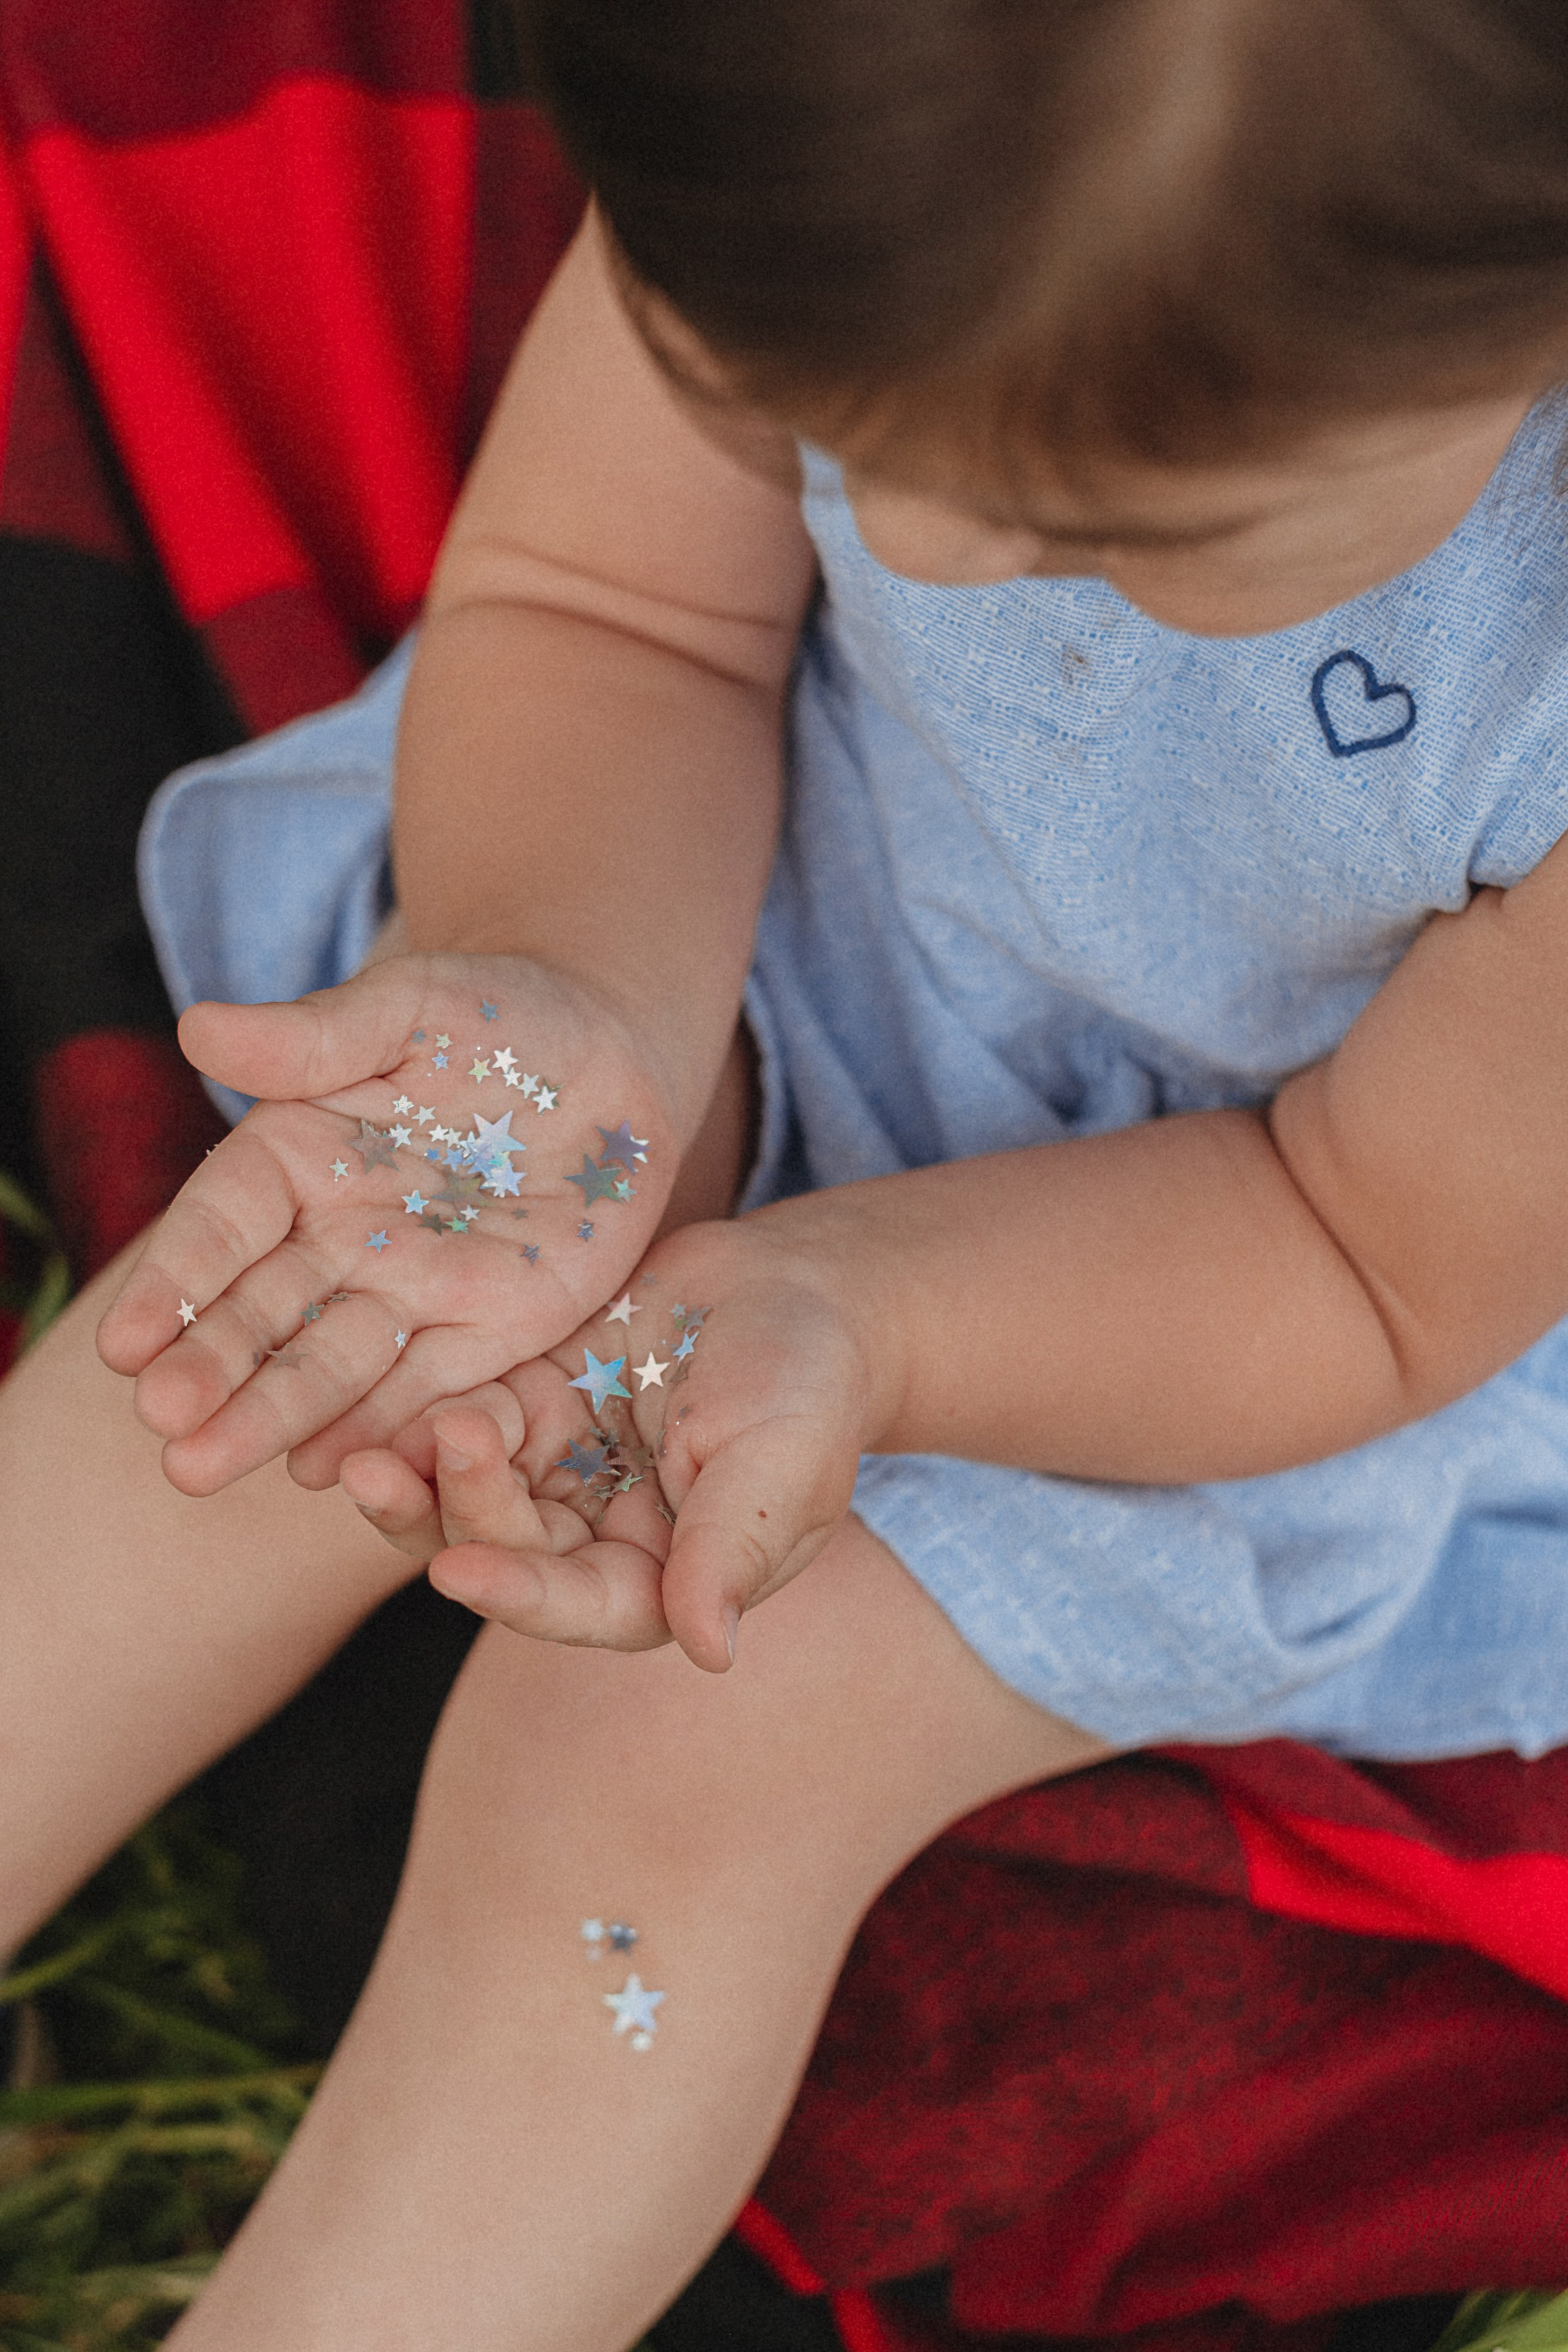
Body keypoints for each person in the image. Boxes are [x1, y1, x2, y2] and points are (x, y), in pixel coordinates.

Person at [7, 0, 1568, 2340]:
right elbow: (616, 611)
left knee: (678, 1731)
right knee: (320, 1319)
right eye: (836, 423)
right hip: (772, 881)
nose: (927, 544)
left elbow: (1368, 1259)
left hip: (1267, 1281)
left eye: (1119, 528)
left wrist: (874, 1316)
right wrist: (573, 1002)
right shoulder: (833, 138)